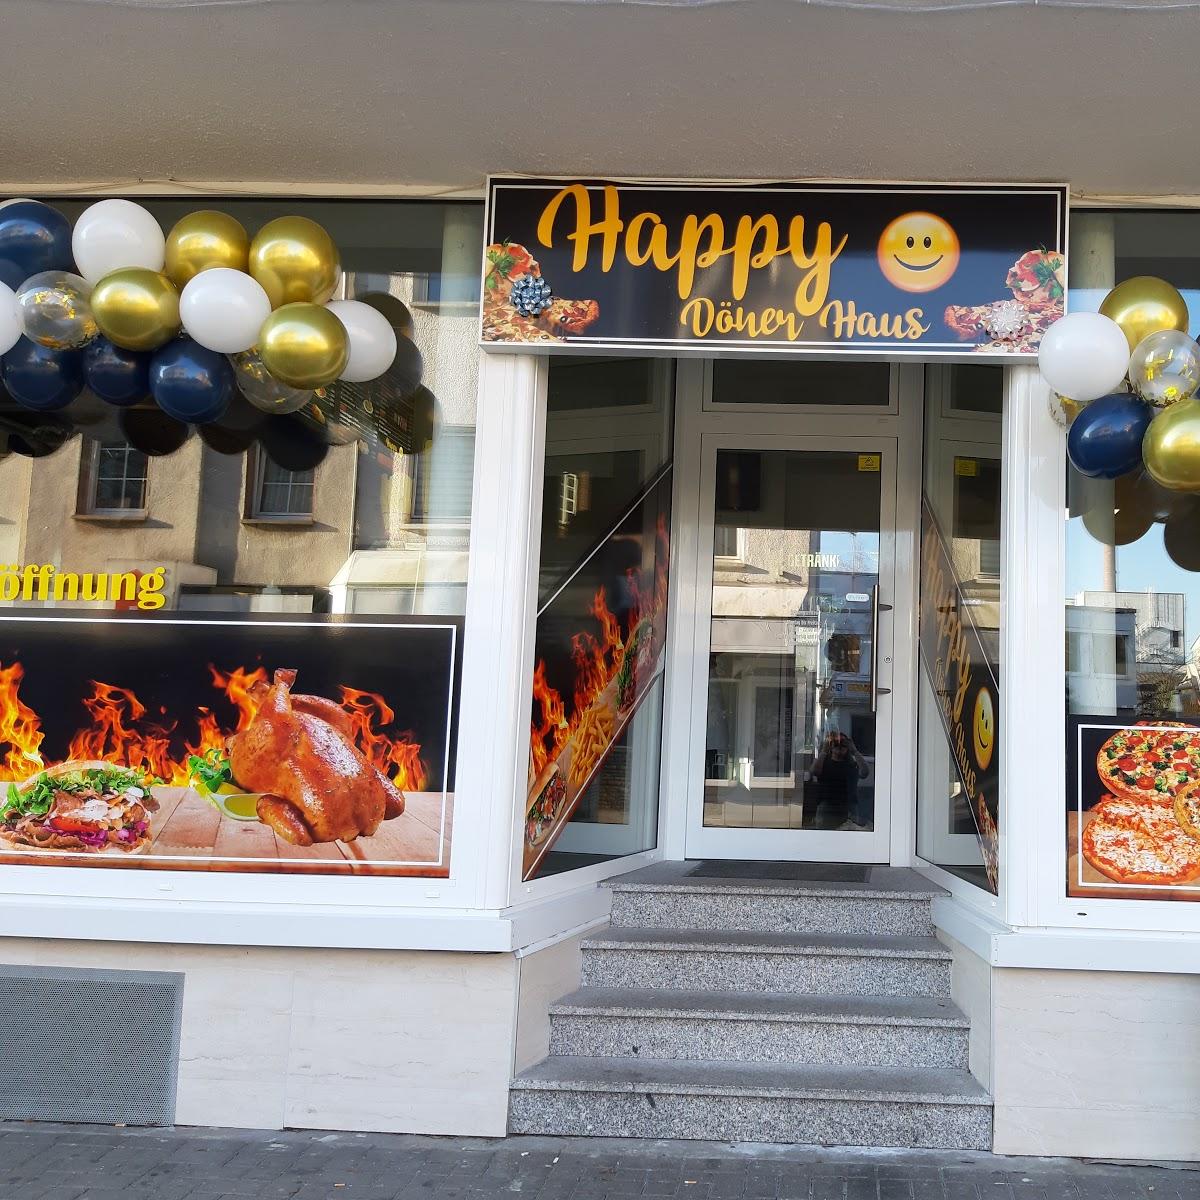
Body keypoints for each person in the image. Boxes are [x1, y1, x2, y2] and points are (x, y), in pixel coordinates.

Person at [810, 730, 869, 830]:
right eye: (836, 744)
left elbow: (865, 772)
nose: (840, 747)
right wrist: (824, 750)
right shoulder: (824, 763)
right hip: (827, 806)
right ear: (831, 747)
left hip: (848, 807)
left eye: (843, 744)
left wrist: (854, 751)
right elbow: (814, 772)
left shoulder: (852, 765)